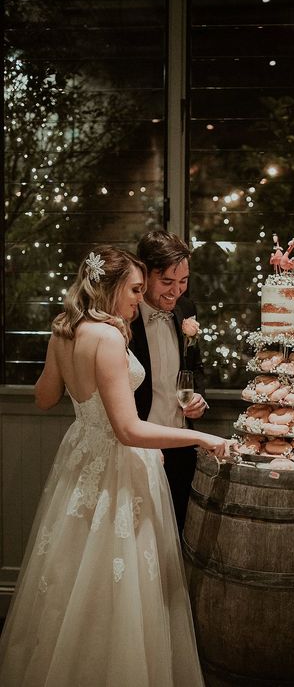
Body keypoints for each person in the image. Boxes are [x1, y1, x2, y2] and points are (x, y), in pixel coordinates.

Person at [0, 246, 228, 687]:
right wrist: (202, 436)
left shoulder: (64, 331)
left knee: (75, 575)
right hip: (116, 468)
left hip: (79, 459)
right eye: (134, 289)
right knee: (120, 582)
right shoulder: (106, 338)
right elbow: (128, 430)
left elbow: (45, 398)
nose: (137, 300)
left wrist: (75, 383)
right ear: (110, 287)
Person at [130, 230, 206, 535]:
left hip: (181, 443)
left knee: (178, 532)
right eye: (167, 282)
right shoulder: (124, 318)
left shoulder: (187, 311)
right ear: (144, 274)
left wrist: (199, 399)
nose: (176, 292)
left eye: (183, 281)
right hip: (139, 446)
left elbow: (196, 367)